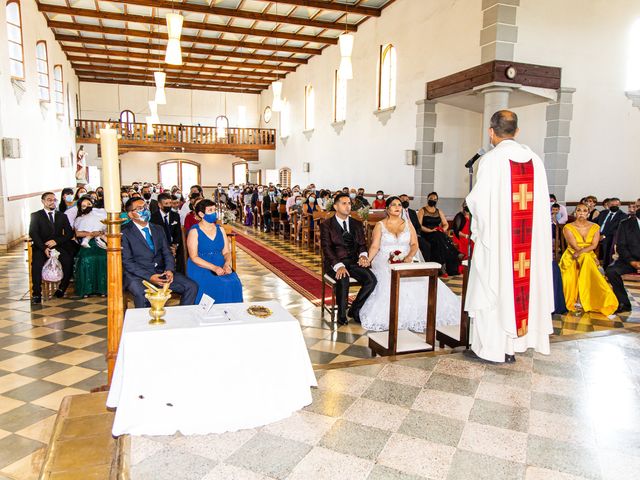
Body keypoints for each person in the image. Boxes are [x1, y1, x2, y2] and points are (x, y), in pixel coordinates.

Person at [465, 110, 553, 364]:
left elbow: (478, 203)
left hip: (499, 245)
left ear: (491, 132)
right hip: (527, 245)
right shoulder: (535, 161)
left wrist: (479, 232)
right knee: (519, 288)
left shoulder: (491, 161)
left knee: (493, 287)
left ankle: (491, 349)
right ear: (517, 131)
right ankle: (511, 347)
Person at [359, 196, 461, 332]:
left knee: (419, 279)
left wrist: (409, 256)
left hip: (406, 258)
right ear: (387, 209)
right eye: (394, 205)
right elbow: (375, 246)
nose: (397, 207)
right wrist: (368, 260)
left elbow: (414, 244)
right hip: (384, 259)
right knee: (389, 277)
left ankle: (421, 314)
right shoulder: (380, 225)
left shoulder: (408, 224)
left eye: (399, 205)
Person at [121, 198, 198, 308]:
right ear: (130, 214)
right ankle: (145, 324)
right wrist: (150, 276)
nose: (144, 210)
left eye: (145, 207)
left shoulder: (158, 229)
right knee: (144, 294)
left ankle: (182, 318)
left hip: (161, 272)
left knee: (191, 286)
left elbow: (167, 253)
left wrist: (169, 270)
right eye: (139, 209)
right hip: (138, 276)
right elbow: (127, 262)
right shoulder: (124, 232)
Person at [320, 192, 377, 325]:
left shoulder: (356, 224)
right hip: (335, 263)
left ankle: (355, 309)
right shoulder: (327, 225)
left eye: (349, 203)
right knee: (343, 277)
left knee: (371, 280)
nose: (347, 206)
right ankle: (341, 313)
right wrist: (338, 266)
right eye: (344, 203)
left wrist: (363, 256)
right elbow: (326, 248)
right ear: (335, 206)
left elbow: (362, 244)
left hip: (353, 262)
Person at [559, 203, 618, 316]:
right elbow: (574, 246)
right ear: (575, 212)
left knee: (586, 258)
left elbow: (594, 245)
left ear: (588, 213)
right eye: (579, 210)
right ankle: (579, 299)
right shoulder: (568, 227)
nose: (581, 213)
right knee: (587, 259)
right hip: (571, 255)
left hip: (586, 254)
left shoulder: (595, 227)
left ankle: (585, 299)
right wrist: (581, 253)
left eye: (584, 211)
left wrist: (582, 253)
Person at [186, 199, 243, 303]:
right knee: (220, 284)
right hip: (201, 266)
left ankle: (231, 313)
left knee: (234, 282)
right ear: (201, 214)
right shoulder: (194, 231)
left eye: (214, 210)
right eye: (210, 210)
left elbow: (226, 252)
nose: (214, 213)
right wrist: (214, 268)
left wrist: (226, 264)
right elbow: (194, 257)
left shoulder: (220, 229)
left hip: (219, 262)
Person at [29, 192, 76, 304]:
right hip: (41, 247)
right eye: (49, 200)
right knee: (36, 264)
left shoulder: (62, 216)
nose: (52, 202)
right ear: (43, 201)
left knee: (68, 261)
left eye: (54, 200)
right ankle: (36, 293)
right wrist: (44, 247)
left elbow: (69, 233)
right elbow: (33, 233)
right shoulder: (36, 215)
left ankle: (61, 288)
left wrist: (56, 241)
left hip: (58, 246)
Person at [417, 192, 460, 276]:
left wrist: (442, 229)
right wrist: (430, 230)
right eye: (431, 199)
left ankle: (444, 267)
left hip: (437, 233)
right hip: (426, 233)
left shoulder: (439, 211)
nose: (433, 200)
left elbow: (446, 224)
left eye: (435, 199)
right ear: (427, 199)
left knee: (439, 238)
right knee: (442, 239)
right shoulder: (422, 210)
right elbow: (419, 225)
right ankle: (455, 254)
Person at [606, 208, 640, 314]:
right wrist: (633, 262)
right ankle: (624, 303)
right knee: (611, 271)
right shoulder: (625, 224)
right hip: (629, 260)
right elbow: (621, 246)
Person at [73, 197, 108, 297]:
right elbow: (78, 233)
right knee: (86, 259)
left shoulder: (100, 214)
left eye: (89, 204)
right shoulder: (79, 219)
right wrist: (92, 234)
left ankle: (103, 289)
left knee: (103, 258)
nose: (87, 207)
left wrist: (100, 233)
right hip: (88, 242)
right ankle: (86, 290)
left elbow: (106, 230)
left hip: (100, 241)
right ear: (80, 208)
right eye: (84, 206)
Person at [151, 192, 185, 274]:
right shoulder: (153, 218)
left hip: (174, 247)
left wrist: (175, 245)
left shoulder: (175, 215)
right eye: (166, 203)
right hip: (160, 248)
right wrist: (166, 248)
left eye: (170, 203)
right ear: (159, 205)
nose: (169, 205)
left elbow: (178, 233)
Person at [399, 193, 431, 262]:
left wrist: (417, 234)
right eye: (403, 200)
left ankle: (426, 265)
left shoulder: (412, 212)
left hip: (415, 236)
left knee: (427, 245)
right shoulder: (397, 212)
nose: (405, 201)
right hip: (403, 237)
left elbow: (418, 226)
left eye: (407, 200)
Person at [597, 197, 626, 268]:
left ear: (620, 205)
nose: (614, 206)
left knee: (608, 241)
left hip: (610, 236)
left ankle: (606, 266)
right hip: (597, 234)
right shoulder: (603, 213)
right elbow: (594, 223)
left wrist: (604, 236)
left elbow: (617, 229)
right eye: (612, 204)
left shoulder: (623, 215)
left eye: (616, 204)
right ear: (608, 205)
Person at [451, 202, 473, 268]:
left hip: (470, 237)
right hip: (460, 237)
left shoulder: (472, 216)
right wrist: (466, 236)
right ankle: (464, 265)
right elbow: (456, 231)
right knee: (468, 244)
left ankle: (471, 264)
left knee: (474, 243)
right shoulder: (459, 216)